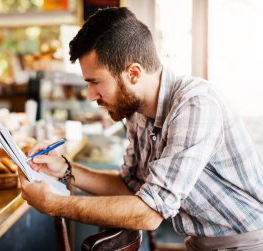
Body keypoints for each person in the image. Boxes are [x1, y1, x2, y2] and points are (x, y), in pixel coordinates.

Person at [19, 7, 263, 250]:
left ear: (133, 73)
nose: (90, 95)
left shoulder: (195, 104)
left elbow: (149, 213)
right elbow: (130, 186)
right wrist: (66, 168)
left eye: (95, 82)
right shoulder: (136, 112)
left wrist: (54, 203)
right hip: (200, 244)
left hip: (249, 242)